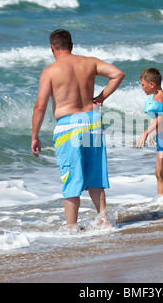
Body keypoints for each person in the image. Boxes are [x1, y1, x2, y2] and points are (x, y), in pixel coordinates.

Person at [31, 29, 125, 228]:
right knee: (95, 176)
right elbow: (118, 74)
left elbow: (40, 106)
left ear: (51, 47)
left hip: (69, 127)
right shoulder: (89, 62)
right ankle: (105, 222)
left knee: (71, 179)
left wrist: (35, 136)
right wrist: (101, 97)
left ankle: (72, 229)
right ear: (71, 45)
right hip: (93, 122)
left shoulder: (50, 71)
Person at [136, 68, 163, 198]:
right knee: (158, 172)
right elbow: (155, 117)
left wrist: (146, 132)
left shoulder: (161, 97)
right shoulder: (154, 96)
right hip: (161, 136)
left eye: (143, 85)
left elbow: (161, 117)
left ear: (152, 84)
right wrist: (153, 131)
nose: (141, 88)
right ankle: (161, 199)